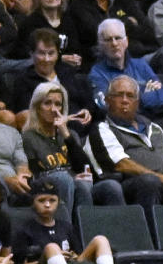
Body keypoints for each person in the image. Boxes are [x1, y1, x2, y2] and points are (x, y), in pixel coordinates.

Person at [87, 74, 163, 219]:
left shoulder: (154, 128)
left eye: (130, 96)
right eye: (118, 95)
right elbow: (121, 164)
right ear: (107, 100)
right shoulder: (102, 129)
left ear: (137, 102)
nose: (124, 100)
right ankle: (150, 239)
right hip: (130, 186)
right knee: (149, 182)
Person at [21, 80, 117, 210]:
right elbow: (35, 175)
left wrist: (66, 135)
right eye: (47, 103)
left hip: (78, 185)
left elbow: (86, 169)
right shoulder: (28, 137)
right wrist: (71, 178)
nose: (54, 109)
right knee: (70, 182)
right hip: (51, 189)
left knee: (111, 186)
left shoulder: (70, 135)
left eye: (58, 104)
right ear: (37, 107)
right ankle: (71, 228)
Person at [11, 174, 121, 264]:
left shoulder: (66, 226)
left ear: (58, 202)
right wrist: (55, 254)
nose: (47, 205)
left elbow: (79, 255)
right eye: (42, 200)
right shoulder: (25, 229)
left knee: (100, 240)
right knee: (52, 247)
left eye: (52, 200)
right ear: (33, 202)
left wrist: (72, 256)